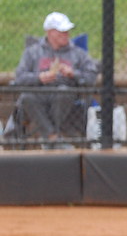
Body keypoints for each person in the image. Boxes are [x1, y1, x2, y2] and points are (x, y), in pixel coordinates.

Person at [12, 12, 98, 146]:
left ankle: (50, 137)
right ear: (49, 32)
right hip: (39, 94)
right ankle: (52, 136)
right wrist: (39, 77)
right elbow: (19, 77)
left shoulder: (78, 53)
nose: (66, 34)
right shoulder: (32, 52)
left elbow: (91, 75)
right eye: (62, 31)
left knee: (62, 92)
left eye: (67, 31)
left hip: (66, 96)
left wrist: (72, 73)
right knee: (26, 97)